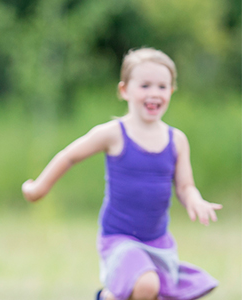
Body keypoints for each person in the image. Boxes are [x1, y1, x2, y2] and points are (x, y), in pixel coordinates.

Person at [21, 48, 220, 300]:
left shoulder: (176, 140)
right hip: (119, 239)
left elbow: (184, 186)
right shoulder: (113, 133)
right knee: (147, 285)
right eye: (145, 85)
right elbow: (69, 155)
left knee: (152, 291)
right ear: (124, 90)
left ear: (171, 92)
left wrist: (195, 200)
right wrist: (39, 187)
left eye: (161, 86)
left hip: (158, 242)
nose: (153, 93)